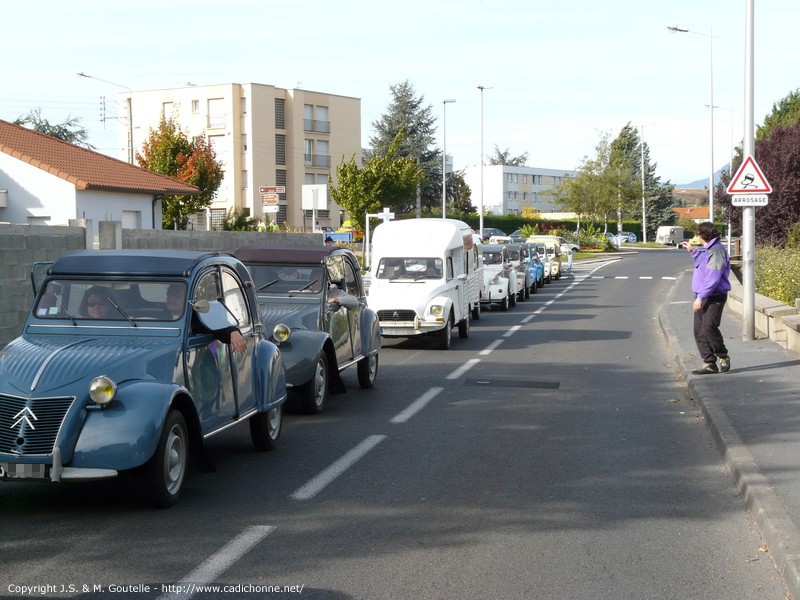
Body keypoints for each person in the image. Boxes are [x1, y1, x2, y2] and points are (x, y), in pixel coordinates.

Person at [681, 221, 731, 375]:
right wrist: (693, 251)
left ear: (703, 235)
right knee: (699, 330)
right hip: (703, 295)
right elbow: (703, 265)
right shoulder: (709, 250)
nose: (696, 236)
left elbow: (713, 278)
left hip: (714, 296)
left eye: (697, 233)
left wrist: (700, 298)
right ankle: (709, 363)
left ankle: (722, 355)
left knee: (709, 327)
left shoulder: (716, 251)